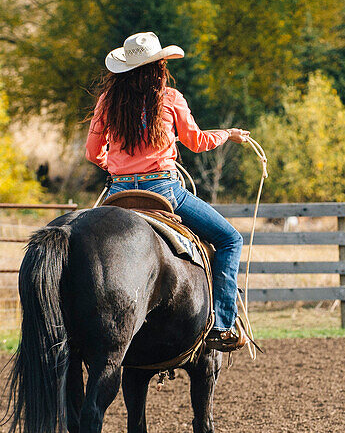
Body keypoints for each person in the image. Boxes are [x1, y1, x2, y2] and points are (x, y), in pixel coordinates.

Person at [85, 31, 251, 351]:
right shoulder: (170, 98)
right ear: (160, 66)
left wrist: (115, 165)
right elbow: (197, 142)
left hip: (117, 192)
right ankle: (222, 324)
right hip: (163, 190)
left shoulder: (108, 101)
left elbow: (93, 153)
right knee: (231, 239)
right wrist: (228, 134)